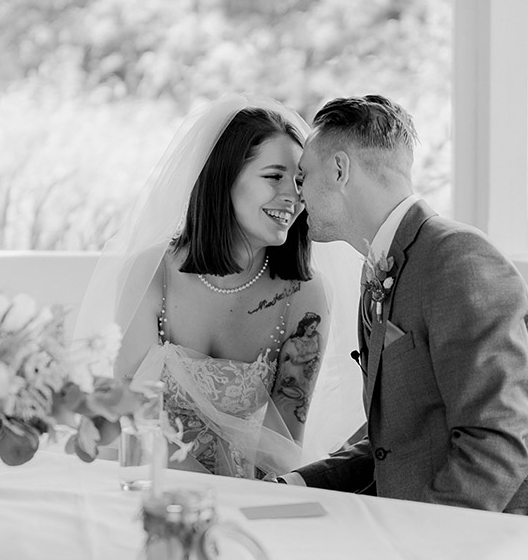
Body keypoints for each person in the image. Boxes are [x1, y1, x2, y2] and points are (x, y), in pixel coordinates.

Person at [284, 94, 528, 521]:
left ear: (340, 170)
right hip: (426, 520)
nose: (297, 192)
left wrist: (409, 540)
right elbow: (396, 439)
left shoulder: (462, 263)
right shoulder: (386, 265)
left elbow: (497, 452)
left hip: (502, 535)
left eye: (303, 175)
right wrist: (299, 483)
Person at [76, 94, 364, 479]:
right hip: (148, 480)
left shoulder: (305, 294)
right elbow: (132, 411)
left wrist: (237, 503)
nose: (293, 197)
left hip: (248, 493)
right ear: (223, 179)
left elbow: (284, 444)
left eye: (298, 181)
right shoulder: (150, 271)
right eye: (274, 176)